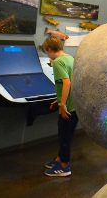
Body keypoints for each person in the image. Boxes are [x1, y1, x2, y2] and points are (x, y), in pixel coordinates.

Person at [41, 37, 77, 177]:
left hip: (68, 107)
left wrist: (62, 105)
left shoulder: (57, 62)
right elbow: (71, 81)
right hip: (74, 104)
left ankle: (64, 166)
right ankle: (59, 159)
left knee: (64, 137)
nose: (47, 54)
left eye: (46, 52)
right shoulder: (70, 58)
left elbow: (66, 83)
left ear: (49, 49)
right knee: (65, 135)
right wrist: (58, 100)